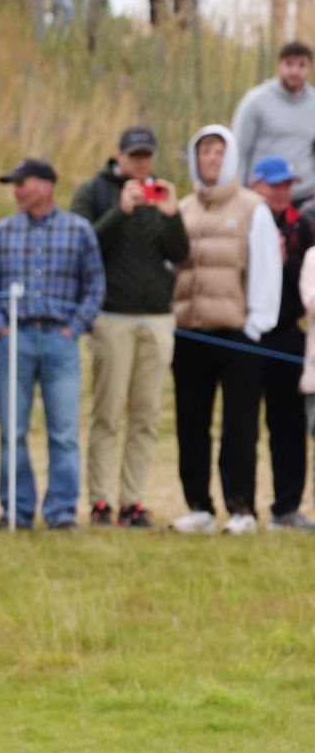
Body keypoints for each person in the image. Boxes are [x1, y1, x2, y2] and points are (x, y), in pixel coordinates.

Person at [0, 157, 106, 531]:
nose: (16, 190)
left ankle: (62, 512)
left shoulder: (78, 231)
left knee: (63, 431)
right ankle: (16, 510)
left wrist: (75, 327)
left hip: (60, 341)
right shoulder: (3, 232)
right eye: (14, 184)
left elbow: (95, 286)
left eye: (23, 183)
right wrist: (1, 328)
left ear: (46, 186)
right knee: (12, 429)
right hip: (15, 339)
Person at [70, 125, 187, 528]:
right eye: (134, 155)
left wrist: (172, 217)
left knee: (146, 414)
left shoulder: (161, 198)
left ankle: (132, 501)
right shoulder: (95, 191)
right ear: (119, 156)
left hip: (157, 319)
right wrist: (119, 212)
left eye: (146, 156)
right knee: (107, 412)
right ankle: (100, 501)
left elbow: (181, 253)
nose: (141, 163)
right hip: (112, 317)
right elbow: (82, 244)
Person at [168, 126, 281, 534]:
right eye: (204, 153)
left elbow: (267, 270)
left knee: (239, 426)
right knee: (191, 423)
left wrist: (256, 325)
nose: (210, 160)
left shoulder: (253, 208)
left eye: (218, 152)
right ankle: (198, 505)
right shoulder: (181, 209)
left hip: (238, 335)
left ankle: (241, 508)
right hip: (191, 334)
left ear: (229, 156)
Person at [249, 158, 315, 531]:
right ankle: (240, 506)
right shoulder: (244, 218)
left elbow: (306, 284)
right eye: (274, 184)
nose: (281, 191)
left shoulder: (301, 226)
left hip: (287, 334)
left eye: (287, 184)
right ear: (257, 184)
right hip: (246, 334)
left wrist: (283, 262)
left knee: (288, 427)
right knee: (241, 426)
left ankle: (286, 508)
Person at [232, 41, 315, 203]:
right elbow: (240, 150)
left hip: (303, 196)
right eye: (289, 64)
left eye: (301, 65)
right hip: (261, 196)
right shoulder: (256, 101)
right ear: (279, 65)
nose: (295, 71)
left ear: (309, 68)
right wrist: (238, 194)